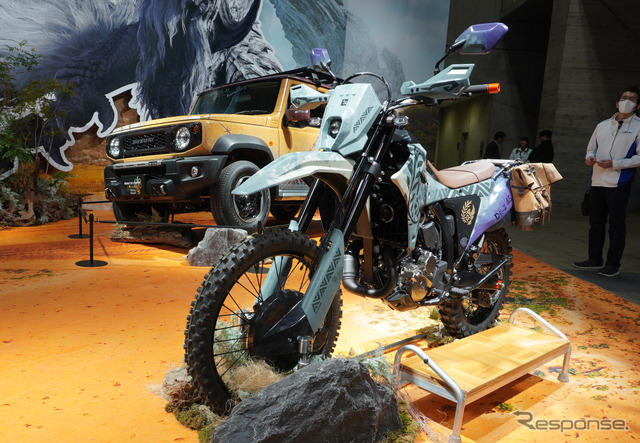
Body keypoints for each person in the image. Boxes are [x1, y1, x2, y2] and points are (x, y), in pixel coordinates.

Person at [573, 86, 640, 277]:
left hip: (619, 183)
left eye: (632, 99)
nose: (627, 101)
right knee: (596, 223)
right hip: (597, 181)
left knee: (616, 226)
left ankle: (613, 264)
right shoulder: (602, 125)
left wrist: (615, 163)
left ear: (637, 106)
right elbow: (590, 148)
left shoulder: (638, 127)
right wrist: (589, 157)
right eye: (624, 97)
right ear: (617, 103)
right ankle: (594, 258)